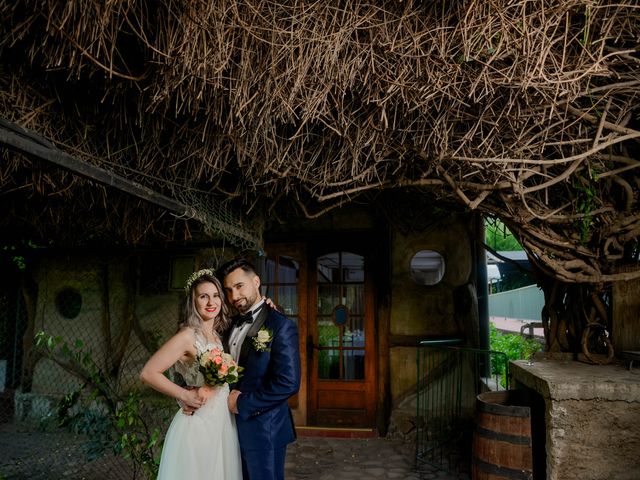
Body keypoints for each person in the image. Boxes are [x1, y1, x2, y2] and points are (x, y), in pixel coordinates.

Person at [139, 269, 242, 480]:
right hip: (199, 422)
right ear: (193, 302)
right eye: (203, 296)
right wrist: (184, 395)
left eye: (215, 296)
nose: (210, 302)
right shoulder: (187, 336)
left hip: (221, 421)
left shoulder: (216, 335)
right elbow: (148, 373)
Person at [218, 258, 301, 480]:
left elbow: (289, 382)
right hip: (229, 428)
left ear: (256, 282)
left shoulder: (280, 325)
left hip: (265, 431)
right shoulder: (228, 325)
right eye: (228, 290)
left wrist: (243, 403)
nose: (234, 296)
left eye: (239, 286)